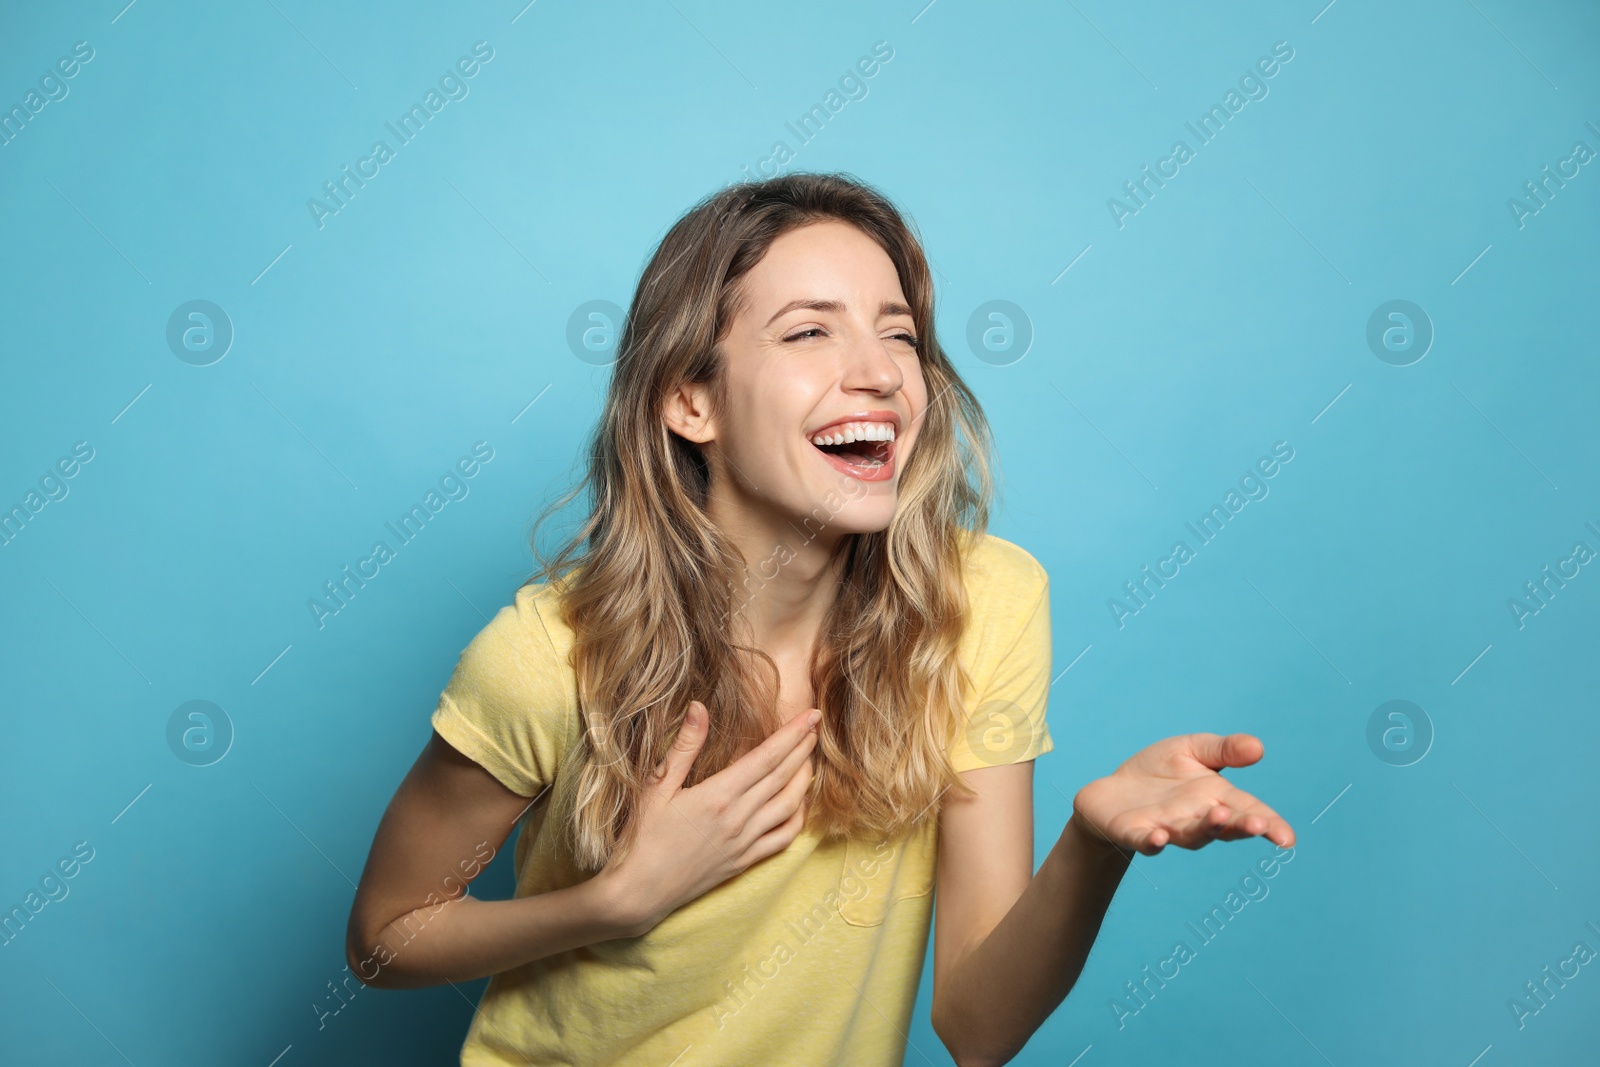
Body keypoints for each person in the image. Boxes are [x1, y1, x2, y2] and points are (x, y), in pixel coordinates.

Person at [345, 172, 1296, 1066]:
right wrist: (616, 900)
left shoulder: (983, 607)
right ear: (690, 398)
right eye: (809, 333)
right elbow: (384, 938)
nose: (880, 373)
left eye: (899, 335)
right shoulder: (547, 657)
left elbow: (977, 1026)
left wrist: (1090, 849)